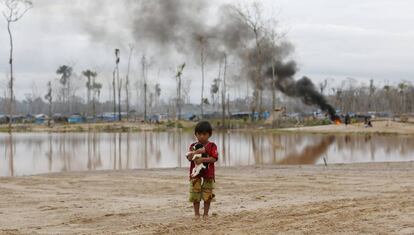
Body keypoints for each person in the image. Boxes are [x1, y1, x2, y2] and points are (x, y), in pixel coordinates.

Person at [186, 121, 218, 219]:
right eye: (199, 134)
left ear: (209, 134)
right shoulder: (193, 146)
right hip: (195, 174)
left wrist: (202, 159)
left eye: (204, 134)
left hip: (208, 173)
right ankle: (196, 214)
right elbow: (189, 158)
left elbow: (214, 158)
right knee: (195, 193)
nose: (202, 137)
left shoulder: (212, 146)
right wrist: (194, 153)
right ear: (196, 134)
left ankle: (206, 214)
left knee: (207, 193)